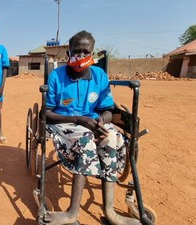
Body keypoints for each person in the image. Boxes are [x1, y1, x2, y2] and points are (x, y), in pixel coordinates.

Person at [43, 30, 141, 225]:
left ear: (92, 54)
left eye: (85, 52)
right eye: (76, 51)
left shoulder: (99, 76)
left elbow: (107, 110)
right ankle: (72, 213)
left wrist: (101, 122)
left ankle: (110, 211)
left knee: (111, 138)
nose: (80, 56)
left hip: (93, 123)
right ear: (68, 52)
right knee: (86, 139)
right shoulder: (57, 76)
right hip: (65, 123)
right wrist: (80, 119)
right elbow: (46, 113)